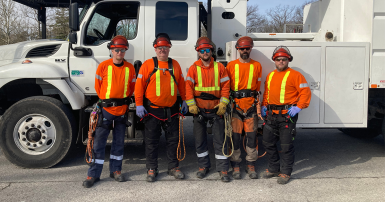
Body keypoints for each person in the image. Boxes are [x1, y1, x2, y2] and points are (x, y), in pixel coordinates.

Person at [83, 35, 136, 188]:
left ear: (125, 51)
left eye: (122, 50)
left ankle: (116, 171)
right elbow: (98, 86)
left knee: (119, 143)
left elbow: (131, 88)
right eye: (117, 50)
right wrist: (105, 102)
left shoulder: (130, 68)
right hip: (105, 111)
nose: (119, 52)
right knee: (98, 144)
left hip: (121, 111)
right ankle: (93, 174)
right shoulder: (103, 66)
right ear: (112, 50)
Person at [135, 33, 188, 182]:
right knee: (151, 142)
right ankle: (152, 169)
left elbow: (182, 85)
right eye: (160, 47)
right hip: (152, 111)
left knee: (173, 141)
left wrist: (185, 100)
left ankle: (173, 168)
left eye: (165, 47)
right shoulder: (147, 65)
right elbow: (139, 87)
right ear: (155, 48)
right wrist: (139, 104)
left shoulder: (175, 65)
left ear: (169, 48)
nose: (162, 50)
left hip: (171, 111)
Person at [261, 45, 311, 184]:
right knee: (268, 142)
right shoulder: (270, 75)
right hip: (271, 116)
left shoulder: (296, 75)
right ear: (274, 61)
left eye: (284, 59)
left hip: (287, 116)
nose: (281, 62)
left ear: (288, 60)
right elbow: (267, 93)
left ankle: (285, 172)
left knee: (286, 146)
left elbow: (305, 93)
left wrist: (299, 107)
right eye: (278, 59)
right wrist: (264, 105)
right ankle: (273, 168)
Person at [185, 37, 231, 182]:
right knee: (200, 140)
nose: (205, 53)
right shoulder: (193, 68)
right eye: (202, 50)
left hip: (217, 110)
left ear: (211, 51)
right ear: (198, 52)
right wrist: (191, 105)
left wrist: (223, 103)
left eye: (207, 50)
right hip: (199, 110)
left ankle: (223, 169)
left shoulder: (220, 67)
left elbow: (226, 87)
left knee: (220, 140)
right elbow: (188, 88)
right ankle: (203, 167)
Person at [226, 36, 262, 179]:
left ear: (251, 48)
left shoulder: (257, 65)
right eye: (242, 48)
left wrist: (258, 106)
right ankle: (235, 165)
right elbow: (226, 88)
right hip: (236, 107)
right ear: (238, 49)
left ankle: (250, 164)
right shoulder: (230, 66)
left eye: (247, 48)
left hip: (251, 107)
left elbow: (258, 88)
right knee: (235, 137)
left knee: (251, 137)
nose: (245, 51)